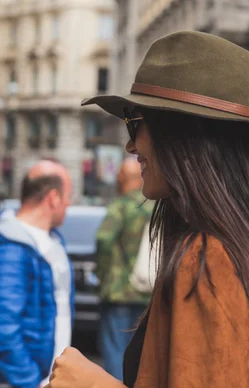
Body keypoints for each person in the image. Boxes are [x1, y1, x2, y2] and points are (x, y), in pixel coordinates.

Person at [46, 31, 249, 388]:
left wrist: (91, 383)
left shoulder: (210, 259)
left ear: (183, 138)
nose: (130, 145)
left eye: (135, 123)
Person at [0, 160, 75, 388]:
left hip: (45, 377)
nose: (69, 203)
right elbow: (1, 328)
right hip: (13, 381)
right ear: (54, 197)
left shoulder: (52, 241)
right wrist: (28, 379)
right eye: (67, 197)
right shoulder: (8, 249)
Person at [95, 157, 153, 380]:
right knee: (140, 356)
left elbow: (104, 240)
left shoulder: (120, 206)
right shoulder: (156, 205)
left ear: (122, 178)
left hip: (118, 292)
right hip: (148, 293)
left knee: (115, 353)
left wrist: (102, 274)